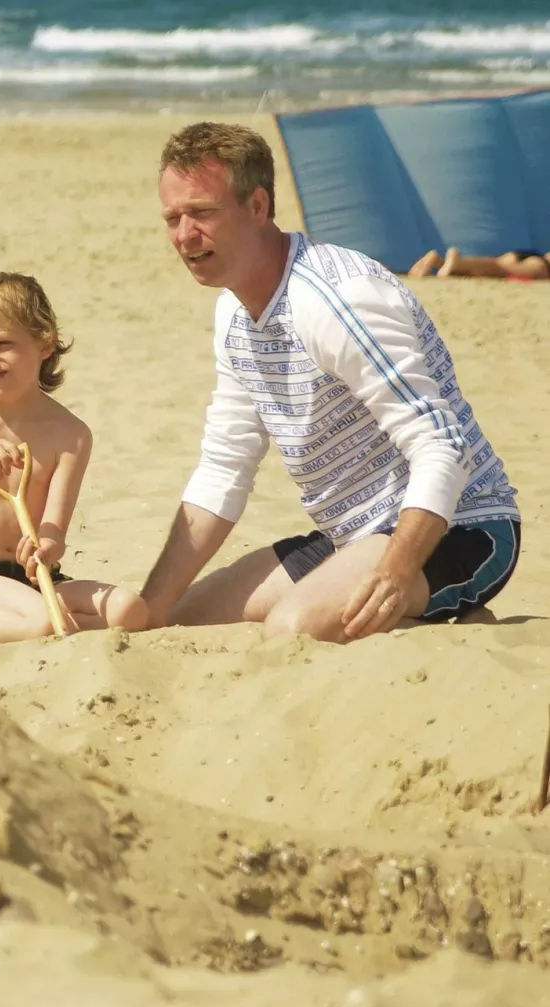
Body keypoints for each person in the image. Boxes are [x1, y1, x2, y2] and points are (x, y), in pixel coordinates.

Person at [139, 122, 522, 643]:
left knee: (293, 629)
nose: (184, 235)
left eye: (203, 212)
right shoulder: (233, 310)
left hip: (461, 528)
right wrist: (146, 611)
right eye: (172, 218)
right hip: (350, 535)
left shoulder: (336, 300)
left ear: (256, 206)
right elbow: (225, 465)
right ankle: (416, 612)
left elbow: (443, 447)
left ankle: (440, 619)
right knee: (180, 618)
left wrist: (395, 572)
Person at [0, 273, 149, 642]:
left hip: (35, 577)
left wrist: (48, 548)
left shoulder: (71, 433)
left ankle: (22, 625)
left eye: (2, 344)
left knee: (129, 610)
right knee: (41, 622)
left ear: (45, 343)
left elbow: (54, 525)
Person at [409, 247, 548, 281]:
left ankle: (439, 261)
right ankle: (455, 260)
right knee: (499, 268)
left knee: (491, 267)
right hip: (542, 265)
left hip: (532, 256)